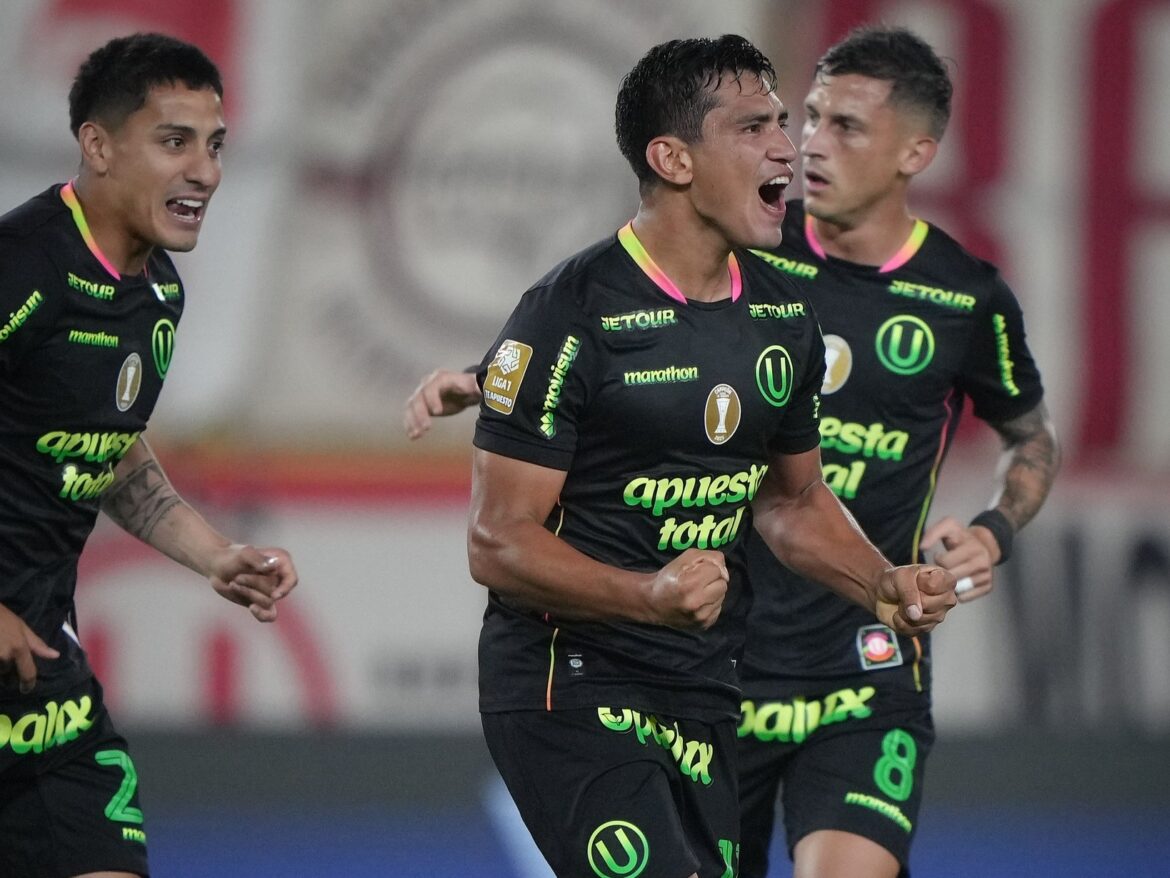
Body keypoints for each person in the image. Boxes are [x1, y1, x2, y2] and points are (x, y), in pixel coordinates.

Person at [406, 25, 1059, 878]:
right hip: (589, 679)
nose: (796, 147)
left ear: (918, 152)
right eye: (766, 126)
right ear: (675, 161)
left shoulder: (805, 312)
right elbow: (497, 537)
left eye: (808, 123)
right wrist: (645, 593)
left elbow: (792, 501)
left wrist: (888, 582)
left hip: (746, 679)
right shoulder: (578, 308)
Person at [732, 26, 1060, 878]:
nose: (810, 143)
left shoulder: (965, 297)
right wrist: (497, 378)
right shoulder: (744, 253)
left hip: (866, 667)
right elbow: (619, 333)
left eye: (846, 127)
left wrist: (993, 530)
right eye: (808, 118)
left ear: (917, 151)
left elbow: (1031, 438)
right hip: (712, 664)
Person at [0, 33, 298, 878]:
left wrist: (216, 556)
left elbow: (111, 453)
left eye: (216, 146)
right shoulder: (20, 270)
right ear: (97, 144)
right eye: (175, 142)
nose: (204, 171)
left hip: (41, 696)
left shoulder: (158, 292)